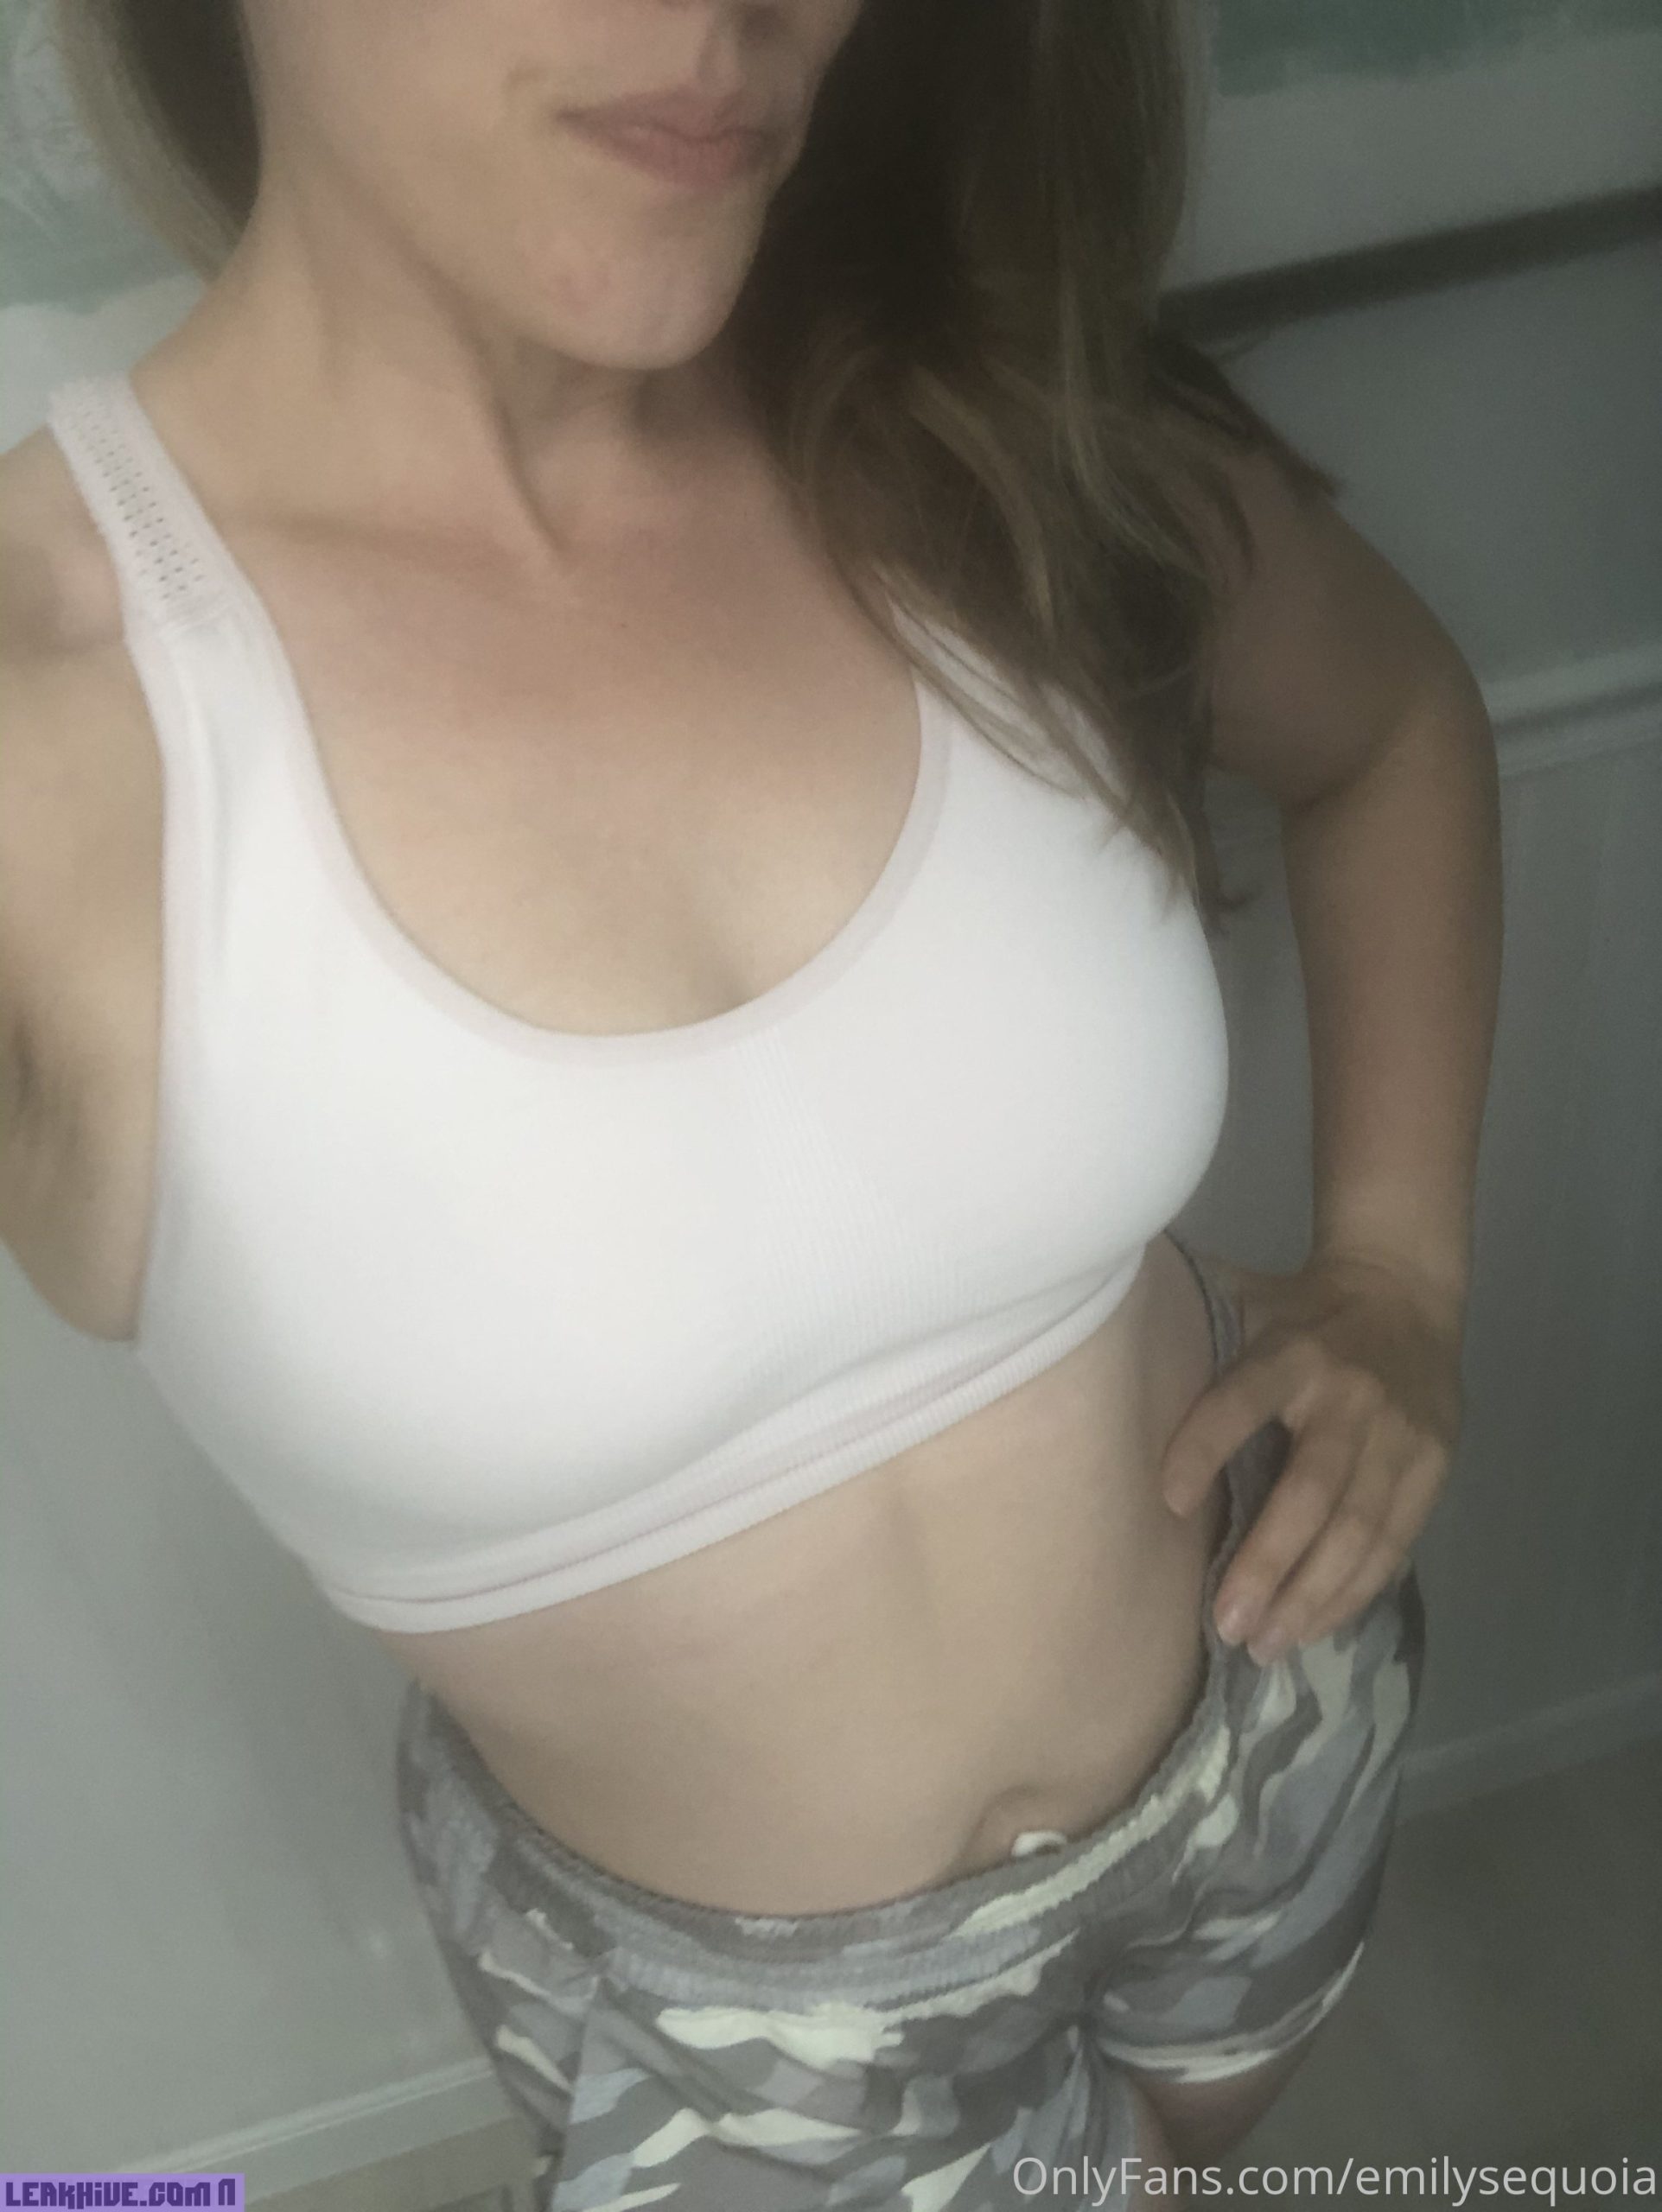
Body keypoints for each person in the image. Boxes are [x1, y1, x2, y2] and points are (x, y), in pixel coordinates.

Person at [0, 2, 1501, 2205]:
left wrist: (1397, 1269)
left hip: (1273, 1719)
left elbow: (1387, 733)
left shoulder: (981, 427)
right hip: (752, 2045)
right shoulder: (43, 732)